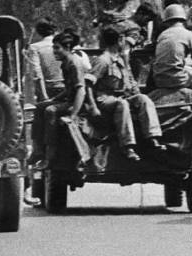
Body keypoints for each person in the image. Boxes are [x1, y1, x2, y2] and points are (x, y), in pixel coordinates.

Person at [89, 27, 165, 160]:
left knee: (143, 99)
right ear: (119, 40)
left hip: (121, 96)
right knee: (122, 104)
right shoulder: (103, 60)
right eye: (123, 39)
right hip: (104, 99)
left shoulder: (120, 59)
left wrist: (135, 91)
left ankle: (152, 137)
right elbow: (88, 85)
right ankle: (127, 146)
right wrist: (93, 107)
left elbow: (129, 82)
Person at [29, 29, 89, 169]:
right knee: (40, 106)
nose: (54, 51)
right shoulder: (65, 63)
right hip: (68, 100)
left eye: (57, 48)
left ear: (67, 48)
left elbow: (81, 90)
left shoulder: (75, 63)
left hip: (77, 104)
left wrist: (74, 114)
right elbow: (69, 89)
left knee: (50, 111)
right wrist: (54, 98)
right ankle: (37, 151)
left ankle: (50, 156)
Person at [151, 4, 192, 98]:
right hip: (177, 79)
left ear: (167, 21)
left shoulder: (162, 35)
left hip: (159, 80)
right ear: (183, 19)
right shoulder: (189, 35)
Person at [28, 17, 64, 102]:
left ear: (38, 31)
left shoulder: (34, 47)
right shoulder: (63, 45)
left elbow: (37, 73)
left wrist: (44, 96)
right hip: (66, 88)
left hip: (48, 89)